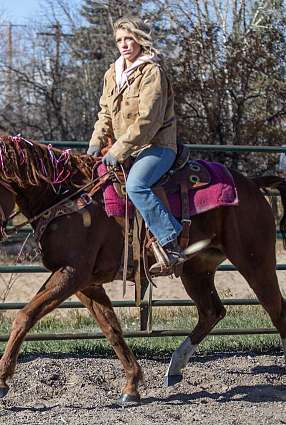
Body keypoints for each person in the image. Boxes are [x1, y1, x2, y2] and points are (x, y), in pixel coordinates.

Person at [87, 16, 185, 275]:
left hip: (157, 146)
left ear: (140, 39)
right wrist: (96, 143)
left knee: (136, 185)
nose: (124, 44)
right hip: (126, 148)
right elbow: (105, 114)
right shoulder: (112, 73)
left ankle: (169, 240)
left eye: (129, 38)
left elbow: (147, 122)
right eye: (119, 40)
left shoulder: (153, 72)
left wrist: (118, 150)